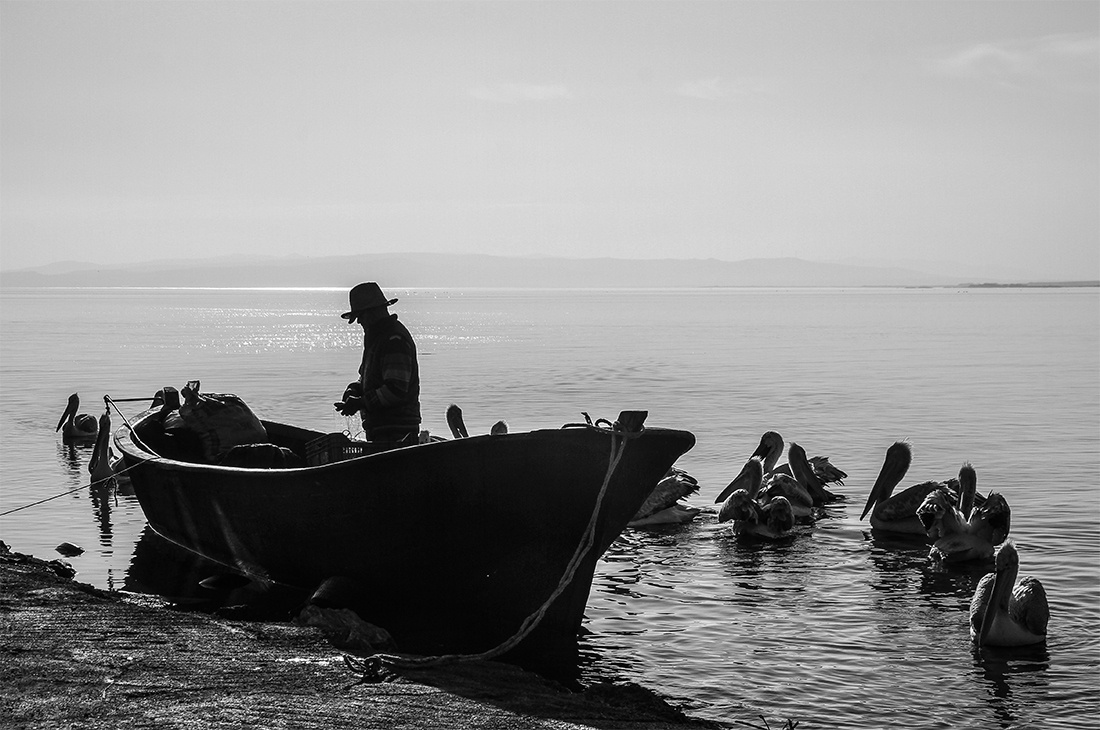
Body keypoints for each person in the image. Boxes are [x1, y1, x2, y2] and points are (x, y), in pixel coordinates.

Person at [334, 282, 421, 442]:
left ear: (373, 313)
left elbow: (395, 390)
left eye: (360, 316)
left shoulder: (394, 340)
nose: (359, 322)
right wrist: (354, 390)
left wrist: (360, 402)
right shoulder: (377, 340)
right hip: (381, 431)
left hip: (397, 435)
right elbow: (367, 379)